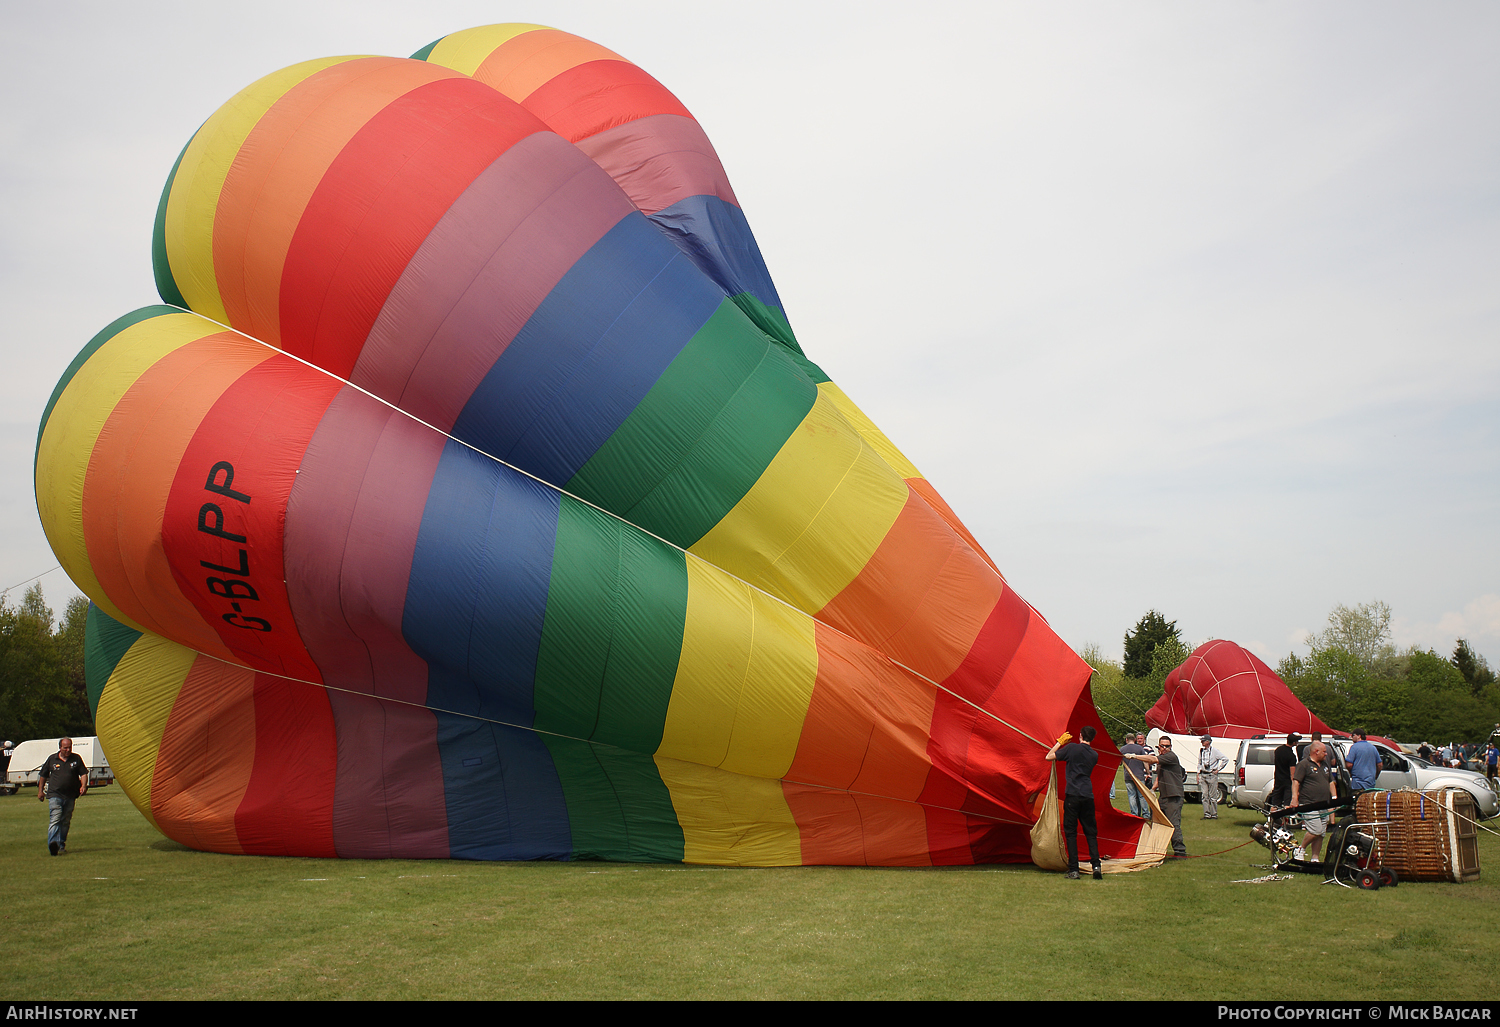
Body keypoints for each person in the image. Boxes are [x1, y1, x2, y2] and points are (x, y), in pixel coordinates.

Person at [1045, 725, 1103, 880]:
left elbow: (1049, 756)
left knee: (1071, 832)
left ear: (1080, 735)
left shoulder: (1071, 748)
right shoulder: (1094, 755)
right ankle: (1096, 865)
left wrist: (1059, 742)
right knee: (1090, 832)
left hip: (1073, 795)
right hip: (1087, 795)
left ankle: (1074, 869)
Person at [1135, 736, 1188, 858]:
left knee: (1173, 824)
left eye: (1167, 746)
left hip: (1174, 796)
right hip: (1164, 797)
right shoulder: (1163, 760)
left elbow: (1152, 759)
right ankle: (1156, 850)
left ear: (1171, 747)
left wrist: (1134, 756)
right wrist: (1152, 789)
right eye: (1162, 746)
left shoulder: (1171, 757)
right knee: (1157, 823)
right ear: (1158, 747)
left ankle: (1180, 852)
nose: (1164, 748)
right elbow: (1159, 778)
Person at [38, 737, 88, 856]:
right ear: (60, 747)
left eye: (70, 747)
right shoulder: (52, 759)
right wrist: (40, 791)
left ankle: (60, 844)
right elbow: (43, 775)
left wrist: (84, 785)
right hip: (55, 794)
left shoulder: (76, 758)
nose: (68, 750)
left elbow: (84, 773)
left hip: (70, 795)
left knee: (65, 821)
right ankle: (53, 844)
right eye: (65, 747)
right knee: (55, 818)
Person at [1289, 741, 1338, 861]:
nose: (1326, 754)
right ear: (1316, 752)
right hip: (1309, 803)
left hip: (1324, 804)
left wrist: (1334, 798)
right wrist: (1294, 798)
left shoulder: (1325, 765)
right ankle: (1300, 849)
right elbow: (1296, 782)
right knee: (1316, 830)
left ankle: (1315, 858)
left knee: (1321, 834)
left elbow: (1331, 782)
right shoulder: (1304, 764)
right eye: (1324, 752)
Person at [1197, 734, 1228, 820]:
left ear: (1208, 742)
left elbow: (1225, 759)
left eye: (1203, 741)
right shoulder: (1201, 751)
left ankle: (1214, 814)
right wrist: (1198, 774)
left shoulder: (1215, 751)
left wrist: (1218, 769)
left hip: (1211, 775)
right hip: (1203, 775)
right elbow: (1199, 763)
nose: (1201, 742)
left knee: (1213, 796)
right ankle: (1206, 814)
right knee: (1204, 795)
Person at [1267, 733, 1299, 811]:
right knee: (1287, 804)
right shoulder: (1291, 756)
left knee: (1275, 803)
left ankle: (1272, 819)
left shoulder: (1278, 750)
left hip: (1278, 779)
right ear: (1294, 743)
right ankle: (1285, 820)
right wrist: (1294, 783)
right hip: (1287, 781)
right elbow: (1292, 773)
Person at [1120, 733, 1150, 818]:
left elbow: (1119, 762)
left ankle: (1134, 814)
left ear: (1126, 739)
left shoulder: (1122, 749)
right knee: (1142, 795)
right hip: (1139, 775)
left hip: (1128, 776)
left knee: (1131, 795)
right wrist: (1148, 772)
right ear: (1135, 740)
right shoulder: (1140, 748)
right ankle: (1145, 814)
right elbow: (1145, 761)